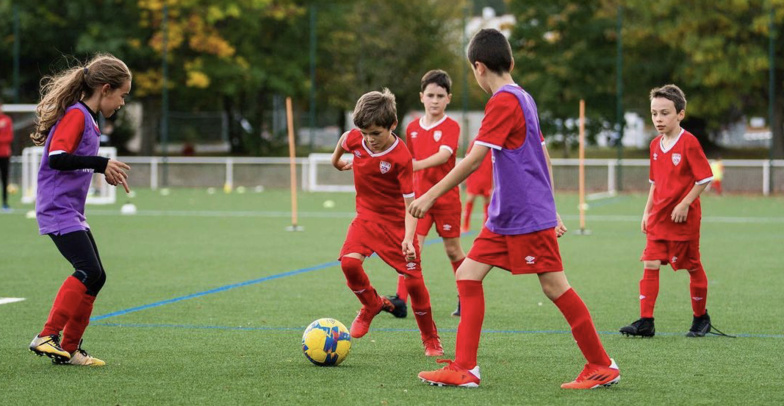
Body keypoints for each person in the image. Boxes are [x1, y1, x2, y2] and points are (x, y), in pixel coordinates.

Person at [410, 28, 619, 389]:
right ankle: (465, 368)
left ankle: (601, 364)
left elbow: (474, 159)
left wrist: (429, 195)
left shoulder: (504, 101)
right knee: (467, 275)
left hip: (523, 215)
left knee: (555, 287)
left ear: (478, 68)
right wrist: (551, 208)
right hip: (506, 216)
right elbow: (545, 157)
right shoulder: (524, 96)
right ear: (511, 61)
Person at [28, 54, 132, 366]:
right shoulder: (76, 114)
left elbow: (73, 161)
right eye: (122, 95)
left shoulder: (87, 119)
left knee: (96, 276)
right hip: (57, 208)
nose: (122, 103)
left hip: (70, 210)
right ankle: (46, 336)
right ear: (105, 88)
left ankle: (69, 349)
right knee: (88, 270)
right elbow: (58, 157)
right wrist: (101, 164)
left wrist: (103, 171)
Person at [331, 88, 443, 356]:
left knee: (414, 283)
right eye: (366, 134)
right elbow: (344, 142)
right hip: (366, 217)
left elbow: (410, 205)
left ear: (392, 125)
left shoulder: (400, 156)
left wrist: (408, 237)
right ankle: (371, 304)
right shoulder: (357, 138)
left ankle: (431, 339)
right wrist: (336, 163)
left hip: (397, 222)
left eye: (376, 134)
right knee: (349, 263)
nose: (370, 140)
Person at [620, 84, 722, 339]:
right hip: (659, 218)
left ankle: (701, 318)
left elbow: (704, 178)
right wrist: (646, 212)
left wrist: (685, 203)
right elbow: (655, 184)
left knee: (692, 266)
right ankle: (646, 322)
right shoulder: (655, 145)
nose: (658, 119)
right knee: (650, 262)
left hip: (683, 220)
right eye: (654, 113)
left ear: (680, 114)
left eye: (665, 113)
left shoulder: (689, 143)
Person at [384, 70, 466, 318]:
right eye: (430, 95)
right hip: (419, 200)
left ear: (448, 98)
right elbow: (407, 159)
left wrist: (415, 164)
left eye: (440, 96)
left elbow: (444, 155)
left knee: (453, 250)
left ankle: (465, 295)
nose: (435, 100)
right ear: (422, 97)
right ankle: (401, 300)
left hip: (446, 199)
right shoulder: (412, 128)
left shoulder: (451, 126)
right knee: (410, 247)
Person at [461, 138, 493, 233]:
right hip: (475, 176)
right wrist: (465, 176)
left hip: (487, 177)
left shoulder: (493, 143)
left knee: (487, 201)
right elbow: (468, 159)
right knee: (470, 199)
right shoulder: (475, 142)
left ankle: (486, 226)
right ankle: (465, 226)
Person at [0, 99, 13, 211]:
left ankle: (5, 202)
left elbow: (9, 137)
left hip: (4, 154)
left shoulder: (7, 120)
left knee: (5, 179)